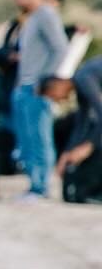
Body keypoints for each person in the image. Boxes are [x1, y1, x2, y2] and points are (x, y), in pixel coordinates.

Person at [12, 0, 69, 200]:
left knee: (39, 137)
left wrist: (44, 80)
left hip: (36, 88)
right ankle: (33, 183)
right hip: (23, 87)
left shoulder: (46, 14)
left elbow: (60, 48)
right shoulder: (32, 17)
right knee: (27, 138)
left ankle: (40, 186)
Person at [47, 58, 102, 201]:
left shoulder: (84, 79)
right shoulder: (80, 81)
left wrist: (88, 146)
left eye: (53, 97)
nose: (58, 101)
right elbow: (81, 123)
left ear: (56, 86)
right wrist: (67, 153)